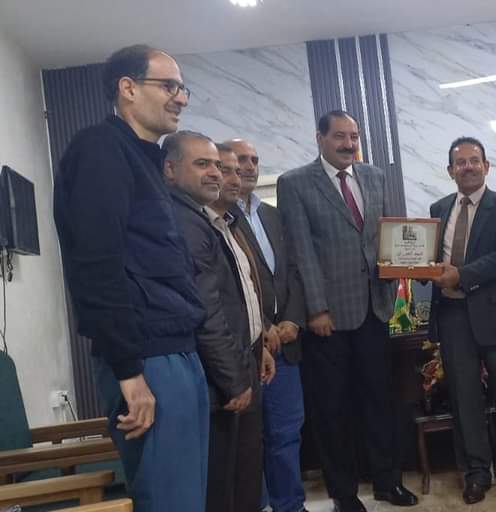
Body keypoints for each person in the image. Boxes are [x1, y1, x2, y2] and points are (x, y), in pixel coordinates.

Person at [54, 44, 209, 511]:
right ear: (128, 88)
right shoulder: (100, 149)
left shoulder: (146, 158)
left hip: (176, 344)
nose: (181, 97)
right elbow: (96, 265)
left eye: (183, 88)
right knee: (169, 498)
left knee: (188, 495)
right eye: (169, 86)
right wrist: (129, 372)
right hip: (146, 355)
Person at [276, 111, 417, 511]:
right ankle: (344, 494)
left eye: (354, 136)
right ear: (319, 138)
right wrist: (316, 308)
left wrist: (404, 262)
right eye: (340, 136)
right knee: (333, 410)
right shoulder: (295, 183)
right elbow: (301, 250)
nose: (349, 144)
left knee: (380, 401)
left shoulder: (374, 176)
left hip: (375, 309)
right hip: (329, 318)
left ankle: (387, 482)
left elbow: (385, 235)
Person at [164, 133, 273, 511]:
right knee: (224, 480)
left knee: (245, 472)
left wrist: (258, 346)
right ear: (170, 170)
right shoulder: (187, 223)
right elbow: (208, 311)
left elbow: (241, 297)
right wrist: (233, 379)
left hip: (244, 358)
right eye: (205, 165)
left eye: (221, 167)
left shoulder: (222, 222)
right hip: (219, 376)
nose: (219, 174)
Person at [428, 137, 496, 505]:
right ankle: (476, 474)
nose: (468, 167)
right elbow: (430, 258)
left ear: (486, 167)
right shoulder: (438, 208)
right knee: (464, 400)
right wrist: (414, 268)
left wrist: (462, 275)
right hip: (453, 317)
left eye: (474, 160)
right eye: (461, 162)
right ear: (450, 170)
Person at [225, 138, 309, 512]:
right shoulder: (219, 216)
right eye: (240, 160)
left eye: (254, 160)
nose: (248, 166)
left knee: (287, 431)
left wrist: (292, 319)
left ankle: (290, 506)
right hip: (247, 348)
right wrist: (263, 326)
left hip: (285, 347)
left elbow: (292, 271)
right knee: (249, 438)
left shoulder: (274, 215)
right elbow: (231, 284)